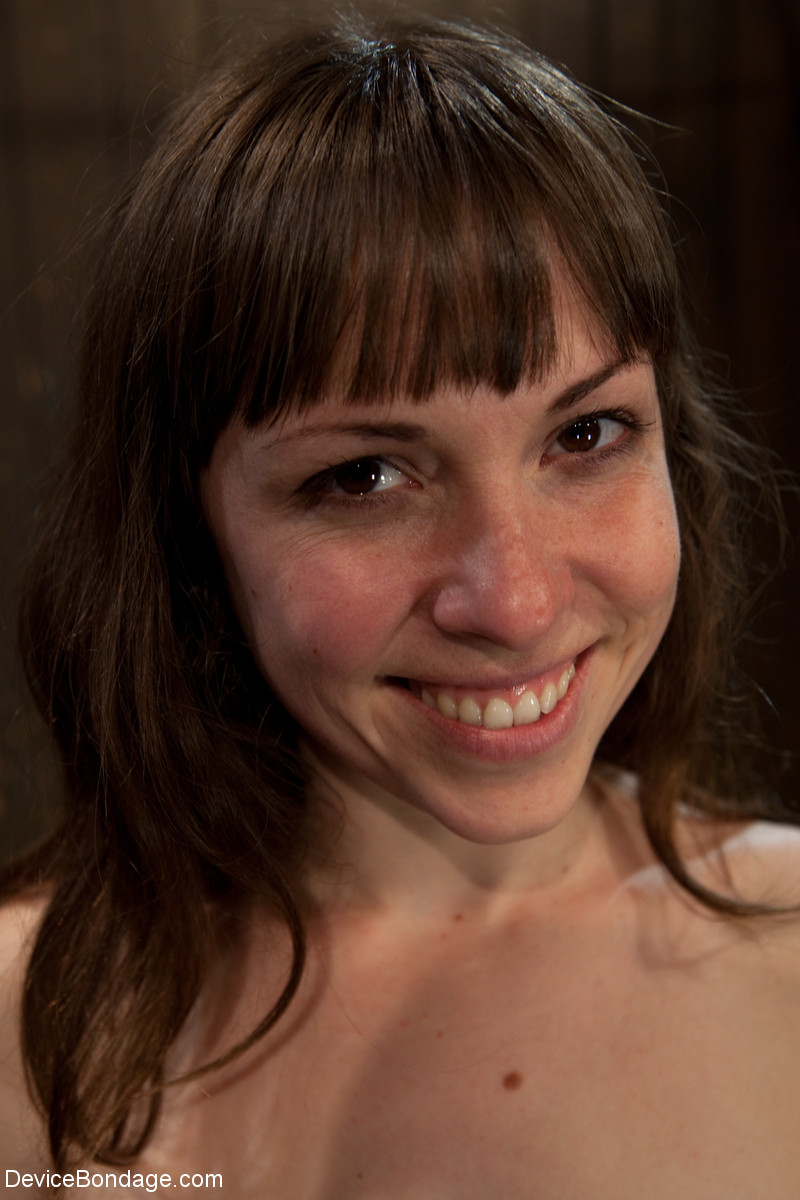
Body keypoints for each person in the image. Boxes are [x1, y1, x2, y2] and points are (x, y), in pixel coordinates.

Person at [0, 12, 798, 1196]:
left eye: (585, 434)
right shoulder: (21, 1033)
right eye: (364, 476)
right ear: (185, 527)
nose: (513, 601)